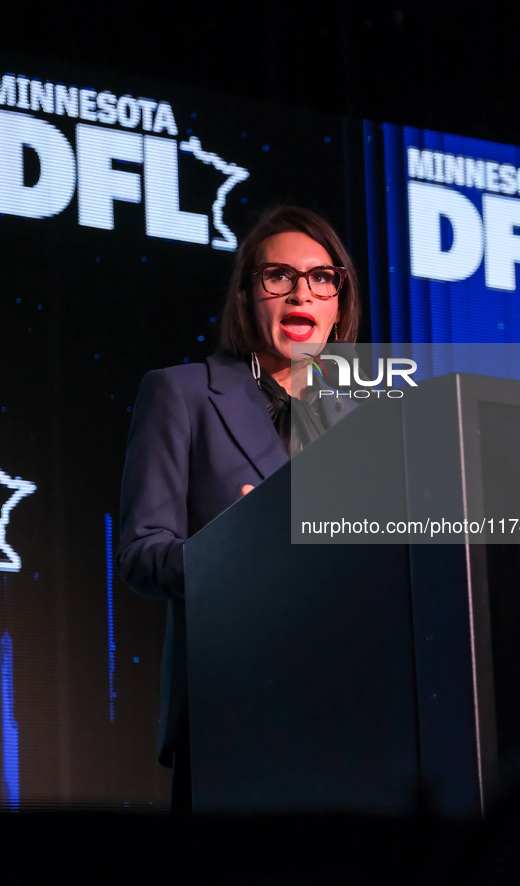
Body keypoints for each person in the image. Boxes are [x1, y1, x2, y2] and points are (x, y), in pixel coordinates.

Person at [116, 205, 362, 811]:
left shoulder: (372, 419)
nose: (300, 291)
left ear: (338, 301)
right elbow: (142, 553)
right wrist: (238, 546)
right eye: (277, 276)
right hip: (235, 711)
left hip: (358, 715)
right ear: (248, 297)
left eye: (321, 278)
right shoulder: (181, 393)